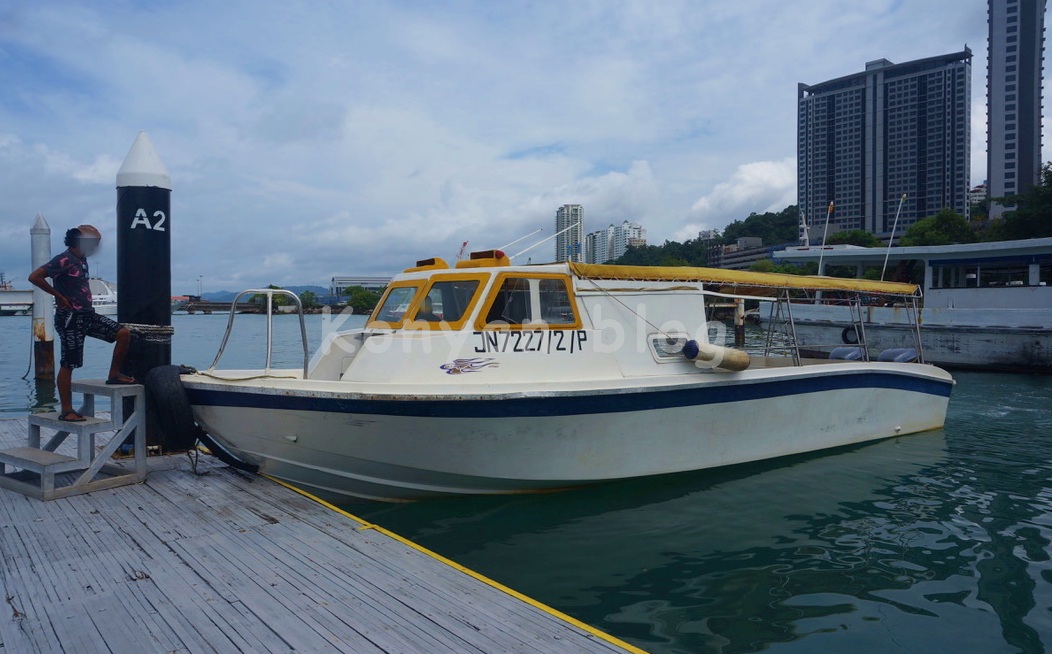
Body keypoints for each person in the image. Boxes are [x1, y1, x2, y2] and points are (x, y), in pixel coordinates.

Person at [28, 225, 135, 422]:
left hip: (87, 315)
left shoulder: (81, 260)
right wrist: (58, 296)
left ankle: (113, 374)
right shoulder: (64, 259)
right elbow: (34, 277)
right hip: (70, 317)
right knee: (69, 363)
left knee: (123, 334)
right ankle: (67, 410)